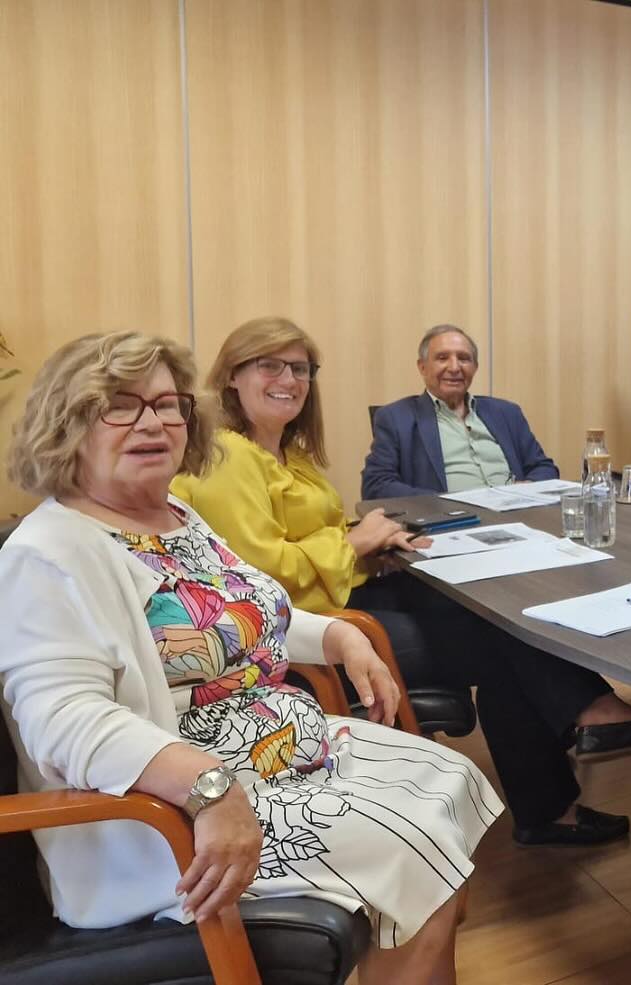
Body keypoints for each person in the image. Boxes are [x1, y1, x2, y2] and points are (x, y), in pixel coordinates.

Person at [0, 332, 502, 984]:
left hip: (269, 752)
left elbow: (251, 613)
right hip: (167, 822)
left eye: (167, 403)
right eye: (119, 405)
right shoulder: (49, 552)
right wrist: (208, 788)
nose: (153, 422)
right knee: (419, 851)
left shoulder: (170, 514)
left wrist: (339, 638)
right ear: (67, 425)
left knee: (447, 778)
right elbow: (62, 722)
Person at [172, 317, 631, 847]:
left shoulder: (291, 451)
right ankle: (584, 729)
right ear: (233, 376)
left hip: (344, 590)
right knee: (503, 634)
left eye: (300, 368)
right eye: (270, 366)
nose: (289, 378)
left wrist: (371, 548)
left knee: (495, 608)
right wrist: (354, 544)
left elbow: (313, 537)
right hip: (310, 629)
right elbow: (258, 576)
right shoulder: (227, 455)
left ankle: (561, 785)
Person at [361, 324, 557, 499]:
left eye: (464, 359)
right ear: (422, 367)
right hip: (451, 522)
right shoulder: (396, 418)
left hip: (519, 516)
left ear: (475, 367)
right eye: (442, 358)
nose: (454, 367)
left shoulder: (506, 412)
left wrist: (528, 488)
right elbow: (376, 485)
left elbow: (544, 468)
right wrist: (447, 503)